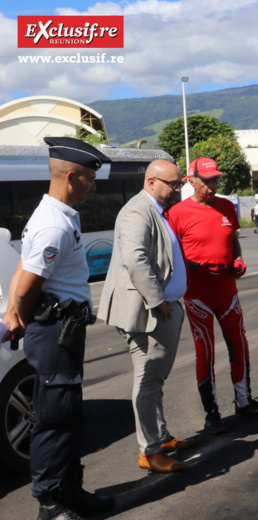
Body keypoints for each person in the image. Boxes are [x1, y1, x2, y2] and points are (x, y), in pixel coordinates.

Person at [1, 137, 115, 520]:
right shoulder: (54, 225)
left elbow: (23, 265)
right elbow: (29, 283)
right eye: (90, 179)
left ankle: (70, 489)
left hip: (64, 330)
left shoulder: (59, 214)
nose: (94, 186)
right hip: (53, 333)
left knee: (69, 415)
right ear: (72, 177)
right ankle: (50, 502)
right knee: (53, 417)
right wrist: (19, 314)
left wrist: (16, 312)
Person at [167, 157, 258, 435]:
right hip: (197, 296)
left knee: (239, 346)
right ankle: (211, 413)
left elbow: (234, 239)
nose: (212, 185)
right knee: (205, 353)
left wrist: (239, 259)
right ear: (191, 180)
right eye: (206, 180)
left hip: (228, 292)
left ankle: (244, 402)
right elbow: (170, 252)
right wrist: (190, 266)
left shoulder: (227, 206)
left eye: (215, 179)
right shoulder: (177, 213)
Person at [97, 160, 193, 474]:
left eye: (180, 183)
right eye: (174, 184)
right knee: (148, 378)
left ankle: (161, 437)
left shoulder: (155, 209)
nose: (179, 189)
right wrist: (158, 301)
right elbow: (135, 258)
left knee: (155, 378)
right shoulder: (138, 211)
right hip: (148, 312)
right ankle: (149, 452)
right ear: (152, 182)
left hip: (159, 308)